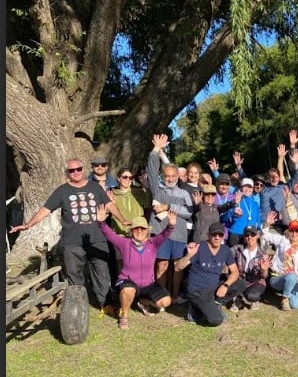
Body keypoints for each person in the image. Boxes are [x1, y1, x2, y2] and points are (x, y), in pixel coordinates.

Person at [10, 158, 129, 310]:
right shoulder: (62, 191)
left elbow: (110, 204)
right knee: (74, 274)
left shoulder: (95, 187)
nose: (76, 172)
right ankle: (77, 305)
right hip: (73, 241)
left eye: (78, 169)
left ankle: (105, 303)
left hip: (97, 238)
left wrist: (123, 220)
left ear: (83, 169)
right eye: (72, 170)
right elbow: (45, 210)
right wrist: (28, 224)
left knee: (101, 271)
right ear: (67, 172)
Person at [97, 205, 175, 329]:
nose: (139, 231)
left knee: (166, 301)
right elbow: (110, 235)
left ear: (147, 231)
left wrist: (170, 225)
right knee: (128, 289)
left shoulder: (153, 243)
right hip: (128, 281)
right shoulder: (124, 243)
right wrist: (101, 222)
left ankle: (143, 302)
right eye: (136, 229)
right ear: (131, 231)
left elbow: (164, 234)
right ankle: (124, 317)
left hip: (148, 284)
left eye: (142, 229)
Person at [147, 134, 194, 302]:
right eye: (167, 176)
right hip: (161, 233)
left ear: (177, 177)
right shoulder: (158, 190)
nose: (170, 178)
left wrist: (168, 207)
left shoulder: (184, 192)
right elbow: (152, 171)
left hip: (180, 235)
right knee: (161, 265)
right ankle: (161, 296)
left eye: (173, 176)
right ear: (163, 176)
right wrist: (155, 151)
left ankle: (174, 296)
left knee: (177, 267)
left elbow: (189, 212)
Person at [174, 222, 246, 326]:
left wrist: (225, 286)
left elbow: (235, 272)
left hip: (213, 288)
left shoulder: (225, 250)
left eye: (220, 235)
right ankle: (195, 311)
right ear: (209, 235)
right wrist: (189, 256)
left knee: (241, 283)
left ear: (223, 237)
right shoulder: (199, 248)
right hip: (198, 291)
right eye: (214, 234)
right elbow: (177, 267)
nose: (217, 237)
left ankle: (216, 304)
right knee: (216, 320)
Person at [261, 212, 298, 310]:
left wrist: (297, 277)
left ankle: (287, 292)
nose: (294, 233)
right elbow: (265, 235)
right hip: (278, 277)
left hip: (293, 278)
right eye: (292, 231)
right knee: (291, 276)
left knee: (296, 305)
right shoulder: (282, 240)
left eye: (296, 231)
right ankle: (285, 298)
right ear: (288, 231)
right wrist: (267, 224)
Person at [229, 226, 273, 310]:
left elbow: (264, 276)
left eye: (252, 234)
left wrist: (264, 270)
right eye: (247, 235)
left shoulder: (263, 254)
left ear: (257, 236)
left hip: (256, 282)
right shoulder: (237, 249)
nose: (250, 237)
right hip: (240, 280)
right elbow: (226, 255)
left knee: (252, 296)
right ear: (244, 237)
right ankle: (238, 297)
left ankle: (253, 299)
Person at [224, 178, 261, 246]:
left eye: (250, 187)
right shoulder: (235, 200)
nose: (248, 189)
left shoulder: (255, 204)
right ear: (241, 188)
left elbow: (258, 222)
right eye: (245, 186)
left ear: (252, 189)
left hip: (250, 236)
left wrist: (258, 231)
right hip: (236, 234)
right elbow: (223, 218)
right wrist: (232, 211)